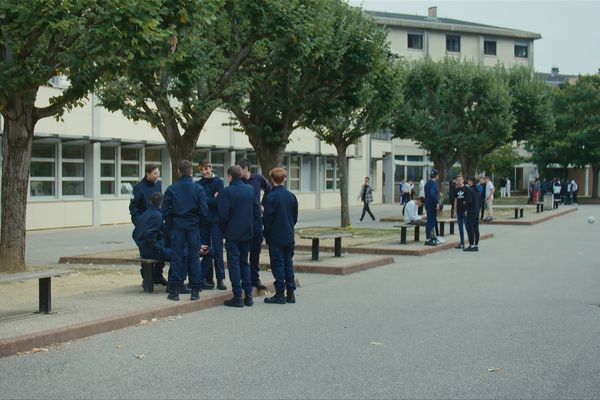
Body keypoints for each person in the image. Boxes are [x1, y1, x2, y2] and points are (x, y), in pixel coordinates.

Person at [162, 160, 208, 302]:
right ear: (191, 171)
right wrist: (197, 222)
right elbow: (204, 211)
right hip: (192, 226)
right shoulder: (198, 188)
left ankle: (175, 290)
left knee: (177, 258)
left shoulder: (172, 189)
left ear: (178, 171)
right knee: (194, 258)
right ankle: (195, 290)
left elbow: (165, 211)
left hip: (178, 226)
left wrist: (171, 224)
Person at [218, 165, 259, 308]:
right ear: (241, 175)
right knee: (244, 262)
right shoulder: (251, 190)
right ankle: (248, 295)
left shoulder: (227, 192)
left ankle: (237, 295)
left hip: (232, 233)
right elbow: (256, 212)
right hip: (247, 232)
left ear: (230, 176)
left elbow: (223, 215)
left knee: (234, 263)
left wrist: (224, 229)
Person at [262, 167, 299, 304]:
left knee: (278, 265)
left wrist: (266, 233)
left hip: (275, 236)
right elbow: (294, 217)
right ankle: (291, 292)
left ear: (272, 180)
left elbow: (267, 219)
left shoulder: (270, 197)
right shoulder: (291, 196)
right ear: (284, 179)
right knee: (288, 263)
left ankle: (279, 294)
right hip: (289, 235)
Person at [129, 164, 166, 285]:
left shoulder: (158, 184)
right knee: (146, 251)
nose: (157, 176)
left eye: (158, 173)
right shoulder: (139, 188)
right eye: (155, 173)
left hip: (157, 222)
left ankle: (158, 275)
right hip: (144, 224)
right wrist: (139, 222)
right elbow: (133, 208)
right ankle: (147, 278)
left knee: (161, 246)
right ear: (148, 174)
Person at [238, 158, 271, 291]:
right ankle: (244, 280)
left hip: (256, 219)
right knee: (243, 251)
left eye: (240, 169)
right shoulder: (238, 181)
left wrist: (263, 204)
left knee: (255, 250)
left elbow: (269, 189)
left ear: (246, 169)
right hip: (244, 220)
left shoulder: (258, 179)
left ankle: (255, 279)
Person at [197, 160, 227, 291]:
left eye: (206, 169)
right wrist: (211, 199)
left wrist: (205, 199)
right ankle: (207, 279)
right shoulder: (198, 184)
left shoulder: (219, 182)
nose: (204, 172)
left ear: (211, 168)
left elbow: (219, 202)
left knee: (218, 250)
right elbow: (199, 201)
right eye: (202, 170)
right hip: (203, 221)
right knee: (206, 250)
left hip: (215, 221)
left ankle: (220, 279)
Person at [132, 192, 172, 264]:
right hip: (151, 252)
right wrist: (159, 248)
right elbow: (150, 234)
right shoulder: (157, 216)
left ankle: (157, 274)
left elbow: (135, 233)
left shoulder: (144, 214)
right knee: (180, 254)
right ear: (162, 203)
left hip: (143, 250)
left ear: (150, 201)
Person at [464, 177, 481, 252]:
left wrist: (465, 203)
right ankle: (476, 245)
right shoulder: (478, 190)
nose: (468, 182)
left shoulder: (469, 190)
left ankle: (471, 245)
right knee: (476, 228)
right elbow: (480, 202)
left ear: (471, 182)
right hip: (477, 211)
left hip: (471, 211)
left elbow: (469, 201)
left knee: (470, 228)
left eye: (469, 181)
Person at [424, 169, 440, 246]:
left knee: (431, 221)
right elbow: (432, 193)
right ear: (436, 176)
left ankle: (432, 237)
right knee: (431, 222)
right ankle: (428, 239)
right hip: (431, 204)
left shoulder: (427, 183)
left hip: (427, 204)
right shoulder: (434, 183)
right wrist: (437, 202)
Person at [453, 175, 467, 249]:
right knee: (460, 227)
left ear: (463, 180)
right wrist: (454, 211)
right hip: (459, 211)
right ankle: (462, 243)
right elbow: (455, 200)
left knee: (467, 226)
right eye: (457, 180)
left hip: (465, 211)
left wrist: (467, 210)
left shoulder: (466, 189)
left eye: (460, 179)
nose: (459, 181)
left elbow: (469, 200)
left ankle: (472, 242)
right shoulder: (456, 190)